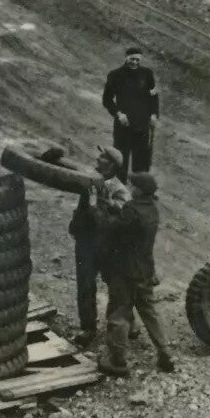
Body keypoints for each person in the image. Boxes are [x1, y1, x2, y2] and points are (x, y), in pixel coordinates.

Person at [96, 171, 175, 377]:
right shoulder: (152, 210)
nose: (129, 188)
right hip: (145, 269)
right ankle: (165, 353)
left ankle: (117, 360)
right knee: (149, 311)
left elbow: (115, 230)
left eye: (132, 185)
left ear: (138, 190)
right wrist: (117, 209)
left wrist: (106, 213)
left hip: (125, 269)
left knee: (119, 312)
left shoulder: (131, 209)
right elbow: (132, 224)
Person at [69, 147, 125, 347]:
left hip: (106, 243)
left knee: (117, 285)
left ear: (112, 165)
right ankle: (88, 327)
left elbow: (123, 216)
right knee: (85, 285)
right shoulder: (90, 180)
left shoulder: (119, 189)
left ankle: (125, 323)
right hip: (86, 241)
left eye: (103, 157)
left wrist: (107, 204)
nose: (98, 159)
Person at [102, 46, 159, 176]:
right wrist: (118, 114)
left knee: (142, 162)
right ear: (126, 57)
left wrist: (154, 114)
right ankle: (119, 189)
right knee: (121, 160)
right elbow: (107, 100)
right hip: (124, 125)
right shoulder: (115, 75)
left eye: (138, 60)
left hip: (142, 125)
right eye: (132, 59)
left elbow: (154, 96)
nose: (135, 62)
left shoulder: (147, 74)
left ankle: (139, 192)